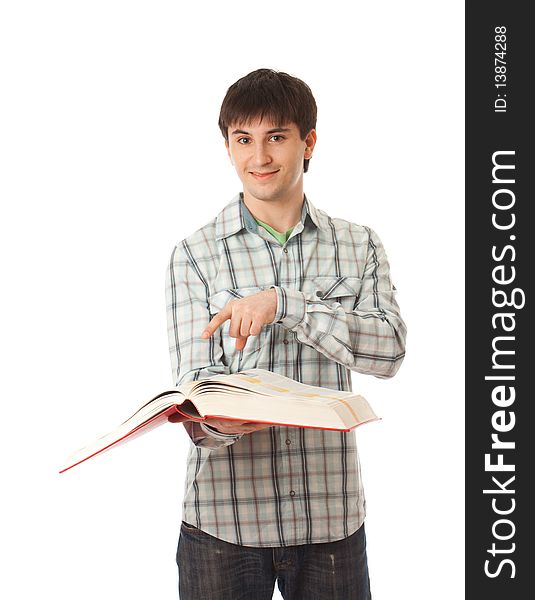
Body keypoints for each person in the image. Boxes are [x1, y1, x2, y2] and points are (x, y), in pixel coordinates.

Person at [165, 68, 406, 600]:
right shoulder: (195, 255)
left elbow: (389, 351)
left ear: (309, 142)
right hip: (223, 523)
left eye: (276, 137)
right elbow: (195, 385)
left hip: (330, 520)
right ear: (227, 147)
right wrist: (214, 420)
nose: (260, 158)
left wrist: (287, 305)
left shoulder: (359, 245)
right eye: (243, 140)